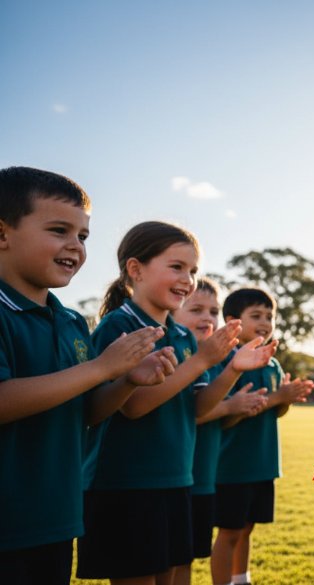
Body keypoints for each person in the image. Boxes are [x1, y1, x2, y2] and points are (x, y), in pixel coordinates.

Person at [0, 167, 175, 585]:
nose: (74, 247)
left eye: (82, 236)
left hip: (57, 517)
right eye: (59, 230)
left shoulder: (73, 323)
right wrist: (99, 367)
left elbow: (87, 411)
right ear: (3, 234)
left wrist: (127, 380)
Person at [77, 221, 249, 585]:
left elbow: (199, 409)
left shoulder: (183, 334)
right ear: (135, 270)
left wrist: (231, 369)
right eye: (176, 267)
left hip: (175, 478)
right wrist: (202, 360)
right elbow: (134, 406)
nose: (187, 279)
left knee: (169, 577)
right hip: (126, 485)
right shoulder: (117, 326)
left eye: (192, 270)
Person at [171, 278, 275, 585]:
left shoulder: (227, 361)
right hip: (203, 473)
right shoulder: (198, 357)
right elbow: (193, 413)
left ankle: (240, 579)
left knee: (185, 557)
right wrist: (234, 406)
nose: (207, 318)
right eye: (197, 309)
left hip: (206, 476)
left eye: (212, 311)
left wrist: (271, 400)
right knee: (175, 558)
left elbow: (213, 414)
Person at [211, 288, 314, 585]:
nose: (266, 322)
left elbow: (274, 413)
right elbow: (228, 414)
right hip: (232, 466)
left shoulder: (272, 363)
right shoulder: (227, 362)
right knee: (229, 532)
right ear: (232, 321)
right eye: (256, 316)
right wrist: (278, 396)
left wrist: (286, 399)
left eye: (270, 316)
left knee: (247, 528)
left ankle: (241, 579)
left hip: (263, 463)